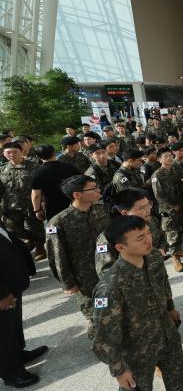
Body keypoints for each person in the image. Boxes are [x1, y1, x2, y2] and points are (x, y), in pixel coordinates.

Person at [91, 216, 183, 391]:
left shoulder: (153, 257)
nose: (148, 240)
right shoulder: (110, 287)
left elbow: (162, 284)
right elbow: (104, 336)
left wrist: (170, 307)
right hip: (137, 351)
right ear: (120, 247)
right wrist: (119, 371)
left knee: (181, 384)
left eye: (148, 233)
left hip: (167, 336)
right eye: (140, 238)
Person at [45, 175, 110, 338]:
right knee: (96, 313)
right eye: (93, 188)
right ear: (77, 194)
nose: (98, 191)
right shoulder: (58, 222)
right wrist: (68, 283)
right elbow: (57, 257)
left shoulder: (100, 209)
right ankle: (98, 339)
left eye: (97, 187)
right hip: (84, 279)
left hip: (108, 269)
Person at [0, 225, 46, 388]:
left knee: (13, 325)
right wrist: (2, 294)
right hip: (3, 292)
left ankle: (17, 354)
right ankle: (10, 371)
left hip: (10, 285)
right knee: (3, 331)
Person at [94, 189, 168, 277]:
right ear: (125, 213)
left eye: (148, 205)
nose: (148, 210)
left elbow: (162, 237)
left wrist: (161, 250)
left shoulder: (150, 221)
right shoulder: (107, 238)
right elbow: (105, 272)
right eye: (141, 208)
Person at [0, 142, 44, 260]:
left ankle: (40, 247)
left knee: (36, 227)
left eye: (15, 152)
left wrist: (43, 202)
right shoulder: (2, 170)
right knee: (12, 230)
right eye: (8, 152)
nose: (12, 155)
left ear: (21, 152)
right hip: (11, 206)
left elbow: (42, 186)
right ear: (4, 154)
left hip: (32, 204)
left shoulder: (34, 167)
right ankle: (32, 239)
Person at [151, 148, 183, 273]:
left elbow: (182, 185)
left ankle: (179, 251)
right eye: (165, 156)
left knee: (180, 228)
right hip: (168, 210)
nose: (169, 158)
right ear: (159, 159)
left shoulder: (176, 169)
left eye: (170, 156)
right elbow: (158, 195)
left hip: (180, 205)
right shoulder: (157, 175)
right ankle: (175, 258)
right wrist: (172, 206)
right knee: (172, 233)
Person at [30, 144, 81, 229]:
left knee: (55, 228)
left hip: (52, 206)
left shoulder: (38, 173)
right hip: (72, 202)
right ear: (54, 153)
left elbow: (36, 195)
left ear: (37, 156)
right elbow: (81, 183)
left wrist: (37, 210)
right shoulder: (70, 167)